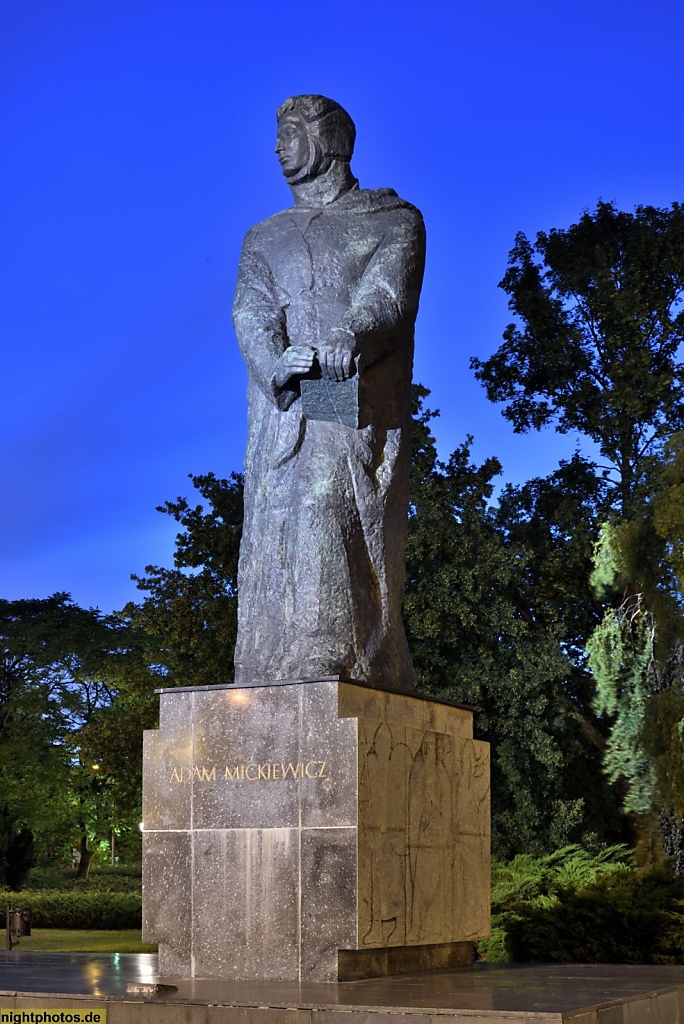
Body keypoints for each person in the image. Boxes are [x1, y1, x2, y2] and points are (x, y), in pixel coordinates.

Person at [232, 95, 425, 690]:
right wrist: (273, 363)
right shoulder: (264, 236)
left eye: (290, 132)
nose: (278, 146)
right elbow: (250, 310)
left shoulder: (393, 220)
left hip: (352, 399)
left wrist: (350, 337)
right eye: (278, 133)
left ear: (330, 142)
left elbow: (388, 299)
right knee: (274, 520)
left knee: (326, 504)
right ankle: (265, 665)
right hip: (283, 405)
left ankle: (330, 652)